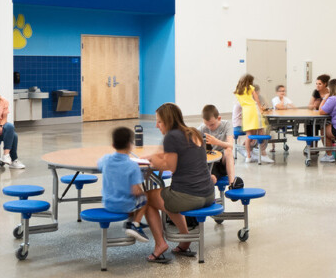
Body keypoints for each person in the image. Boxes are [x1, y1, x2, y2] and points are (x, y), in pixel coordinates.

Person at [145, 103, 216, 262]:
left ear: (168, 121)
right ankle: (185, 240)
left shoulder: (171, 136)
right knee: (166, 195)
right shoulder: (194, 132)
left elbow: (171, 167)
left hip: (188, 197)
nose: (157, 125)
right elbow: (181, 154)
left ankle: (160, 244)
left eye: (159, 122)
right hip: (208, 194)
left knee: (147, 198)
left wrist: (155, 162)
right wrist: (154, 156)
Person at [99, 126, 152, 244]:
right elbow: (135, 191)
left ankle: (132, 222)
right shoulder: (132, 166)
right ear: (130, 145)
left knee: (131, 196)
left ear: (113, 144)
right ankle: (135, 224)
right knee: (145, 197)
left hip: (108, 203)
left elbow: (99, 165)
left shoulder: (106, 159)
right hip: (124, 206)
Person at [232, 75, 269, 164]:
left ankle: (248, 156)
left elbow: (241, 103)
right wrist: (261, 108)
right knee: (260, 130)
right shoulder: (251, 88)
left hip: (246, 112)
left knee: (248, 135)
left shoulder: (237, 91)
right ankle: (262, 154)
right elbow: (257, 100)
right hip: (254, 109)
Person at [200, 104, 237, 184]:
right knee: (212, 177)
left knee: (228, 151)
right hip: (212, 162)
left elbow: (230, 145)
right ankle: (211, 178)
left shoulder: (227, 125)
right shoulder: (203, 128)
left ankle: (232, 183)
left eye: (212, 124)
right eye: (207, 125)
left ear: (219, 118)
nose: (209, 127)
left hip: (224, 160)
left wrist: (216, 142)